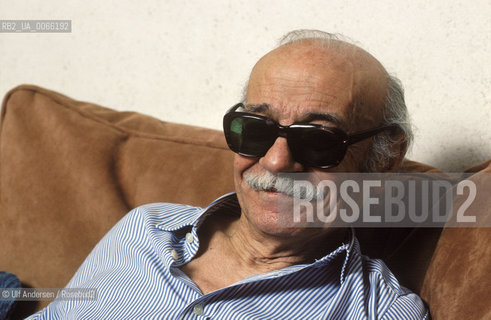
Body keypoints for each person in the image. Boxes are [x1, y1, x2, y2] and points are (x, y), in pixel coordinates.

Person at [28, 30, 429, 319]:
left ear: (384, 160)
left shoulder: (380, 311)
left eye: (319, 140)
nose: (274, 162)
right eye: (256, 129)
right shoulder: (143, 230)